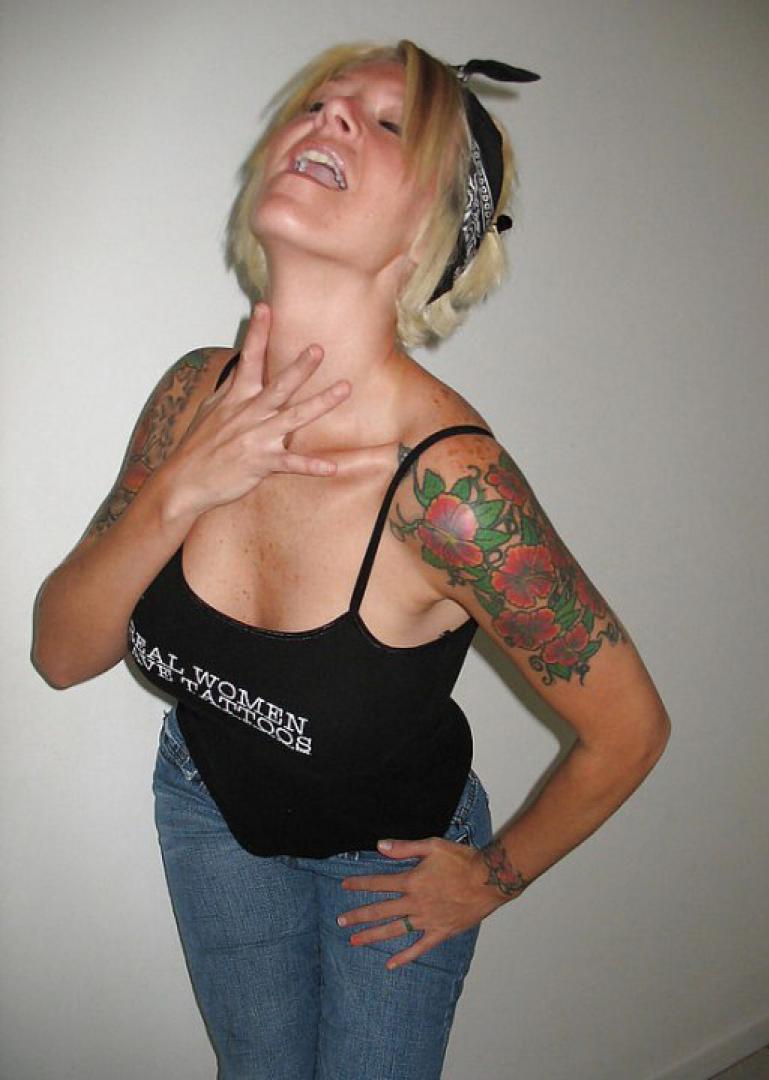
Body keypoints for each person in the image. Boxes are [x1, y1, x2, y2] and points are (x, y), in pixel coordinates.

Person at [32, 39, 670, 1080]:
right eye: (320, 103)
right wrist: (182, 488)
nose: (329, 119)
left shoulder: (449, 491)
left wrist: (491, 879)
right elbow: (62, 654)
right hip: (207, 805)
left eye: (385, 124)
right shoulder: (194, 395)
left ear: (429, 231)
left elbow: (629, 730)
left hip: (389, 861)